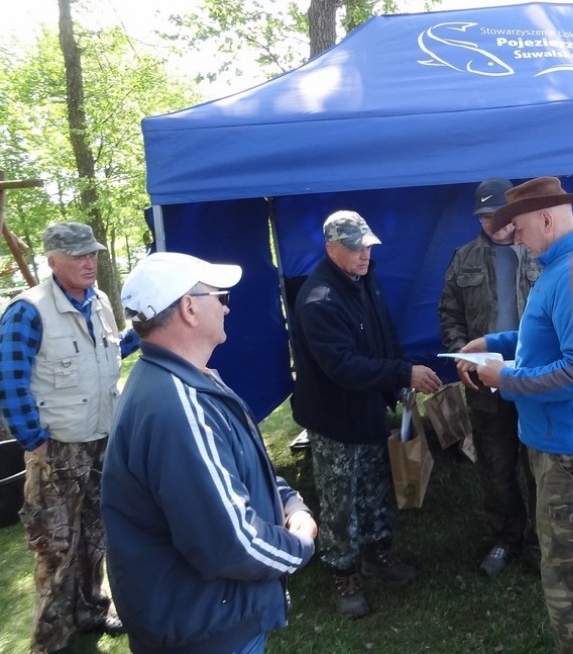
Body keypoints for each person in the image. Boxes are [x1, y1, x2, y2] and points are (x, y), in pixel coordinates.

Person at [101, 251, 317, 654]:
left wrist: (289, 501)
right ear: (188, 308)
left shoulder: (184, 381)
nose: (226, 307)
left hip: (201, 622)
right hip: (206, 633)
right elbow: (230, 543)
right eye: (219, 297)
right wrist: (300, 544)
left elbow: (243, 465)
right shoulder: (177, 405)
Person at [463, 176, 573, 654]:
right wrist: (494, 343)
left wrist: (505, 379)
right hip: (570, 448)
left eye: (517, 227)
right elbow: (547, 335)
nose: (514, 237)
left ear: (546, 218)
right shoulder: (564, 265)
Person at [290, 210, 442, 619]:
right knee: (341, 501)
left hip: (369, 408)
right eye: (355, 248)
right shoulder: (319, 299)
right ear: (331, 249)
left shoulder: (363, 279)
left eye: (368, 246)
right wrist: (402, 373)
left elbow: (384, 333)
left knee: (375, 487)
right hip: (335, 419)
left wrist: (399, 380)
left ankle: (378, 553)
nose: (365, 254)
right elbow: (343, 366)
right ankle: (343, 573)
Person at [0, 222, 138, 654]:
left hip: (100, 441)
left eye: (92, 253)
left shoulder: (99, 301)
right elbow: (10, 382)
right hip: (56, 448)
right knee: (56, 546)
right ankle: (51, 639)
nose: (89, 262)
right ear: (52, 260)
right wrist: (34, 440)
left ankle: (91, 609)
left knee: (95, 533)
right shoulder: (28, 311)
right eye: (78, 255)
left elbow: (109, 354)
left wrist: (146, 332)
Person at [438, 177, 542, 577]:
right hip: (485, 384)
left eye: (497, 214)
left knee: (540, 465)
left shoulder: (540, 253)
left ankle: (539, 541)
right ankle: (506, 538)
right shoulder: (463, 258)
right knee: (496, 468)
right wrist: (462, 354)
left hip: (534, 380)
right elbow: (449, 314)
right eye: (483, 216)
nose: (491, 223)